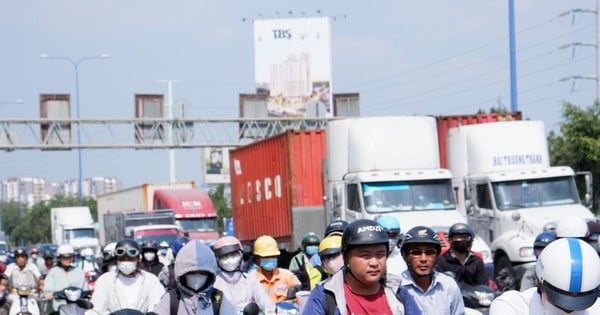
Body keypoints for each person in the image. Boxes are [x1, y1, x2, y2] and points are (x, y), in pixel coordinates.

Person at [302, 219, 406, 314]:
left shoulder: (398, 292)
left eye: (380, 255)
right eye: (365, 256)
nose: (374, 263)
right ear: (346, 258)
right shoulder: (324, 295)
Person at [490, 238, 600, 314]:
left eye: (580, 302)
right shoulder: (513, 306)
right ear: (540, 285)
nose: (568, 311)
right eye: (560, 302)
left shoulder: (597, 309)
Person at [153, 240, 236, 314]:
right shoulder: (172, 299)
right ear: (182, 274)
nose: (197, 277)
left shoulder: (218, 299)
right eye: (192, 273)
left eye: (202, 273)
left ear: (210, 275)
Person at [397, 225, 465, 315]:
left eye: (429, 252)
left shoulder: (449, 286)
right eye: (416, 252)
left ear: (437, 256)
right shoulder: (396, 287)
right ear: (405, 256)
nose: (423, 259)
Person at [91, 239, 165, 314]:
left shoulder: (150, 280)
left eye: (130, 259)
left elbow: (157, 305)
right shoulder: (105, 280)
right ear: (116, 259)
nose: (126, 262)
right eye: (122, 259)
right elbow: (98, 305)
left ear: (138, 259)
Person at [212, 236, 275, 313]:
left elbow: (267, 303)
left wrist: (271, 310)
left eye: (233, 254)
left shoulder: (250, 279)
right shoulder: (213, 283)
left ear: (241, 254)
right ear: (217, 259)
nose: (230, 259)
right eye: (224, 256)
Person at [250, 235, 301, 304]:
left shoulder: (287, 276)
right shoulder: (250, 280)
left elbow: (300, 298)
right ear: (257, 259)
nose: (270, 259)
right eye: (266, 257)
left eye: (273, 256)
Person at [436, 223, 488, 288]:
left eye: (466, 237)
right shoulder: (441, 261)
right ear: (450, 240)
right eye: (459, 237)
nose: (463, 240)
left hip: (474, 296)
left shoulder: (476, 261)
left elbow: (483, 286)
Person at [43, 244, 87, 314]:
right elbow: (48, 289)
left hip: (76, 308)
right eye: (64, 257)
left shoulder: (79, 272)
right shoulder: (53, 271)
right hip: (57, 308)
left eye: (69, 257)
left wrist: (87, 293)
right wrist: (49, 294)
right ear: (59, 258)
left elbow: (84, 290)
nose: (67, 259)